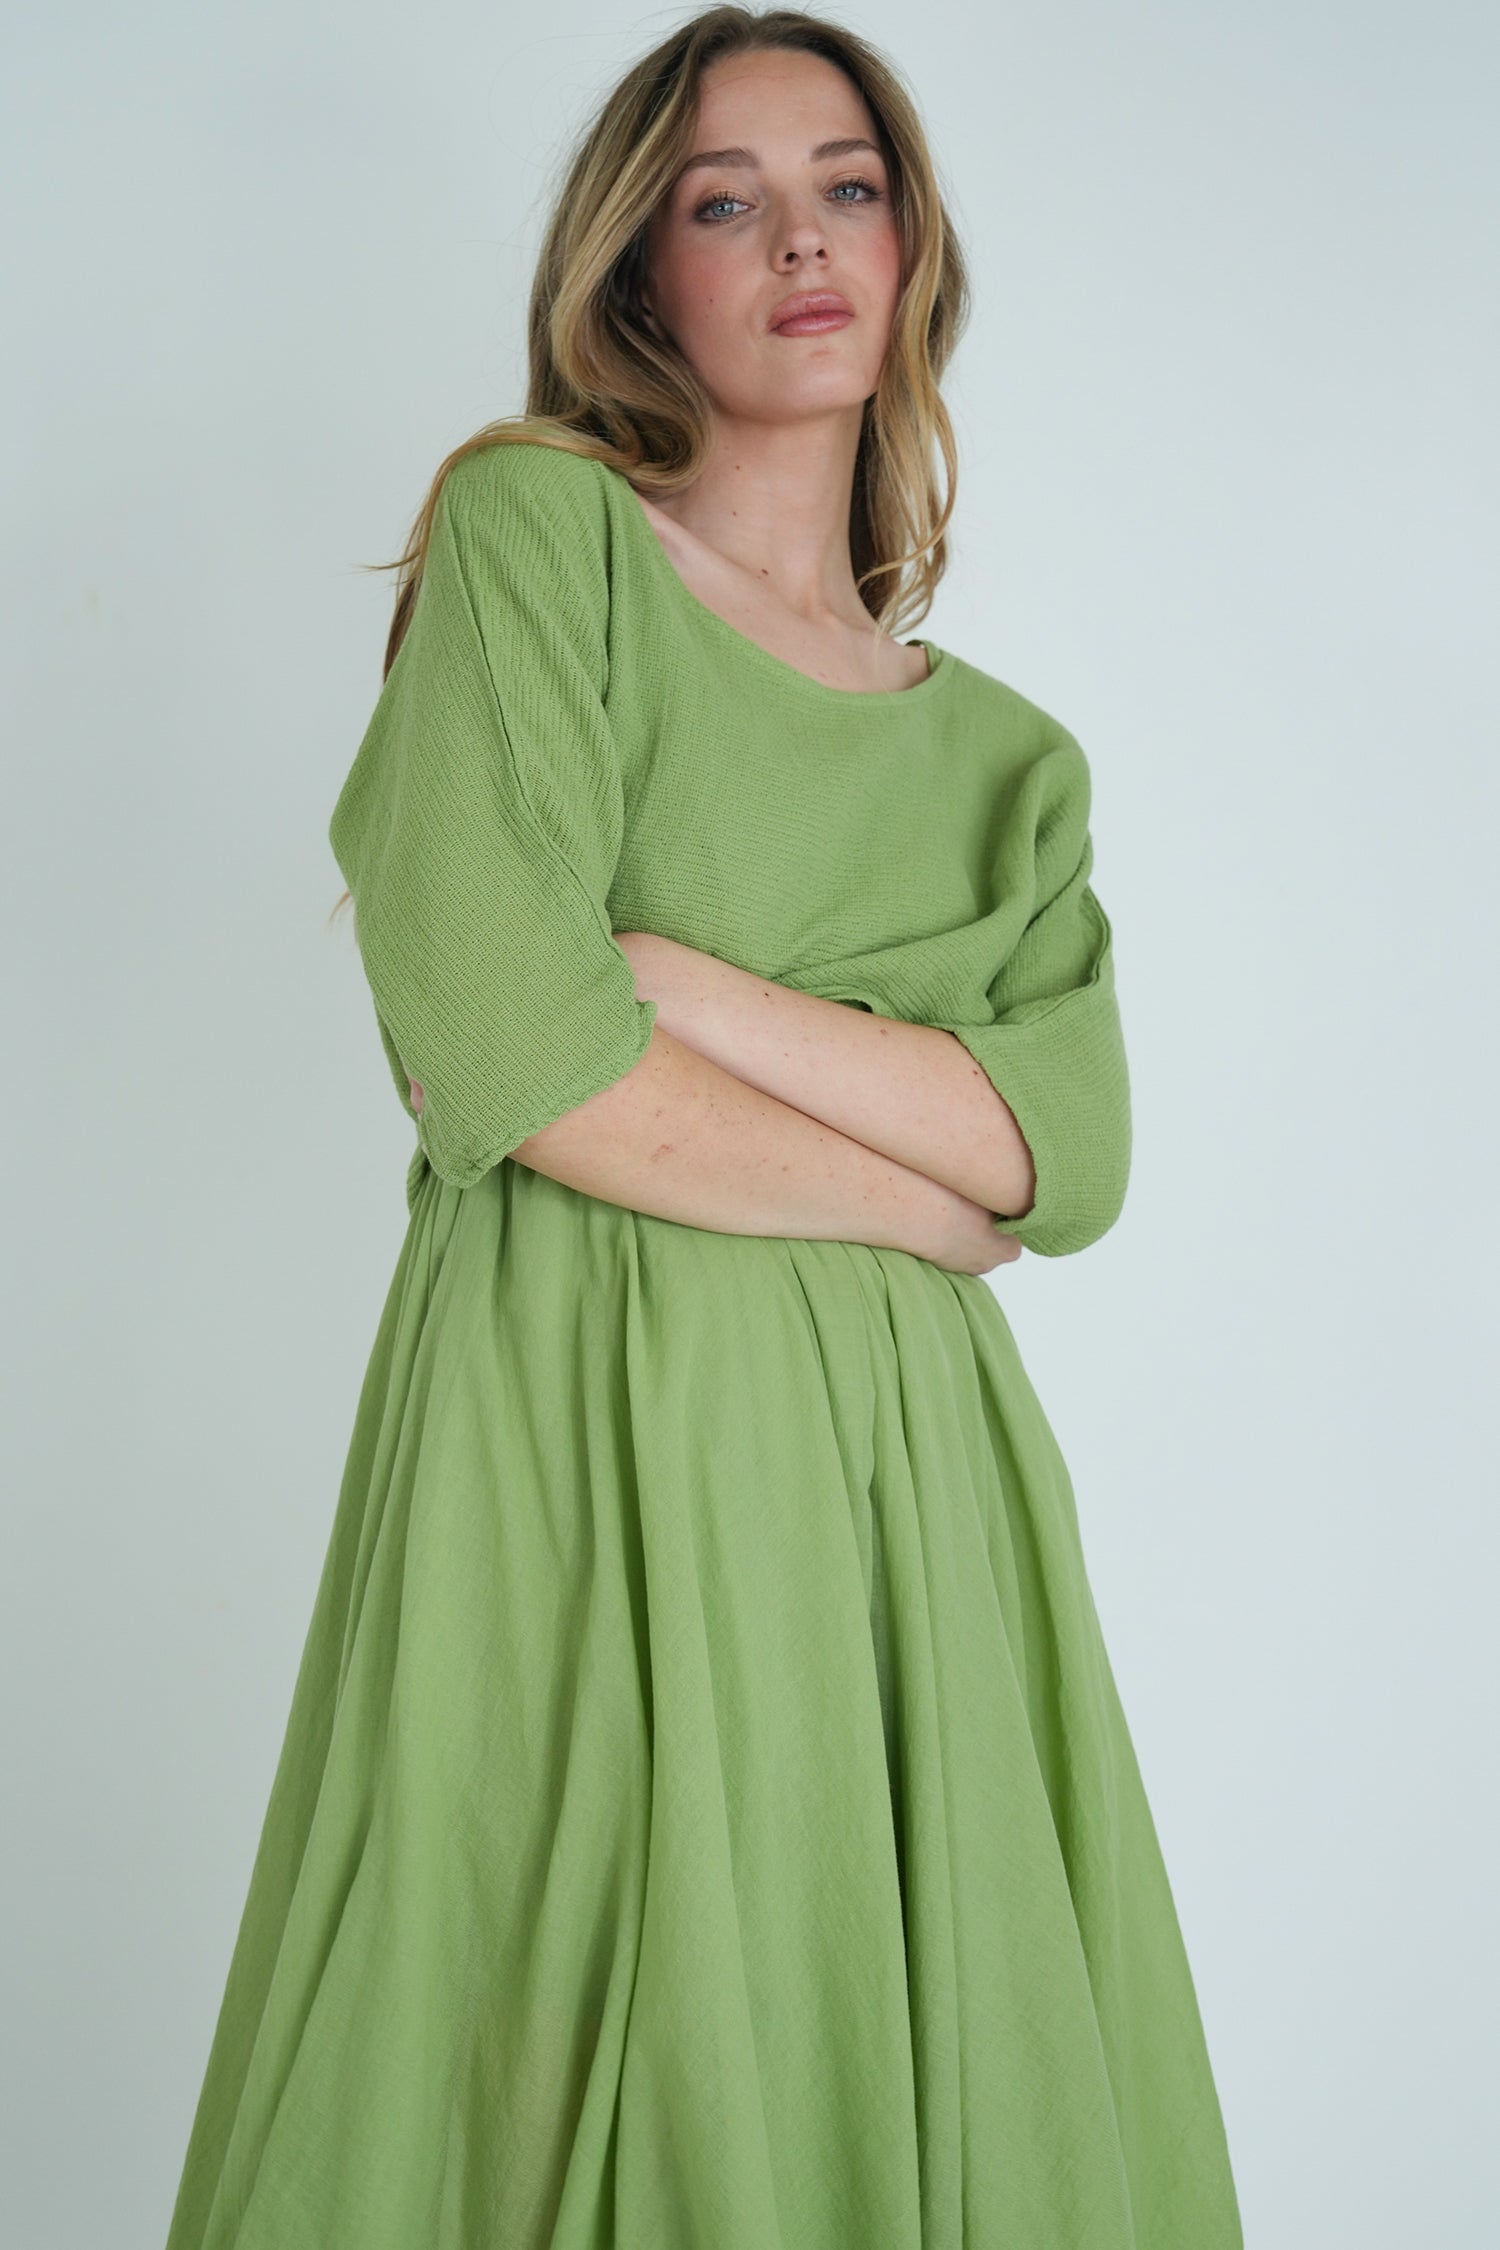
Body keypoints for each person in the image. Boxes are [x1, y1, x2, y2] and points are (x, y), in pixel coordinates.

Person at [163, 8, 1244, 2245]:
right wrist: (917, 1204)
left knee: (871, 2017)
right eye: (724, 200)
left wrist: (695, 984)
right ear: (638, 274)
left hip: (908, 1496)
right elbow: (513, 1053)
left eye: (850, 187)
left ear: (914, 248)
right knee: (536, 2015)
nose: (802, 241)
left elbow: (1072, 1152)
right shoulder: (540, 536)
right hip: (574, 1414)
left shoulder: (1007, 763)